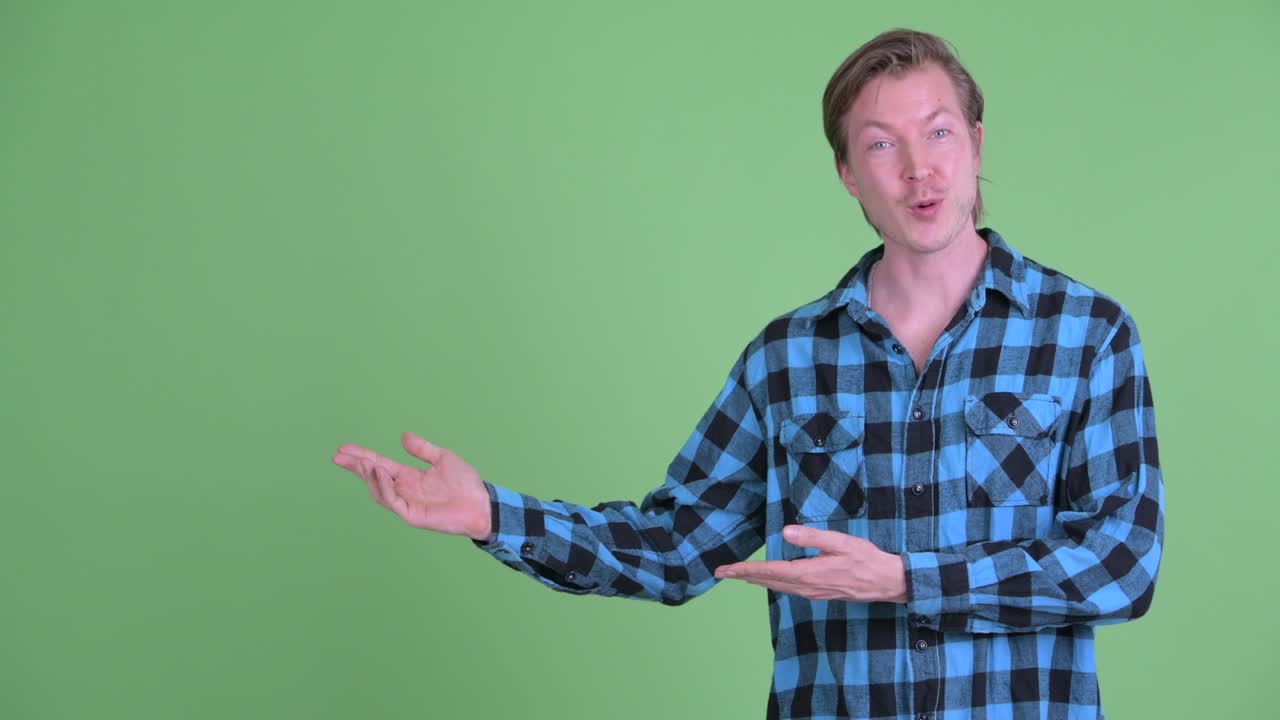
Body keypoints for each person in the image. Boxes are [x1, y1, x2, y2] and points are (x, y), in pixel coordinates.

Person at [331, 27, 1164, 720]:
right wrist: (492, 515)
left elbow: (1123, 560)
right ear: (847, 175)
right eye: (882, 145)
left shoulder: (1086, 333)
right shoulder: (787, 358)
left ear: (976, 144)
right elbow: (674, 545)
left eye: (939, 131)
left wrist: (909, 581)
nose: (920, 168)